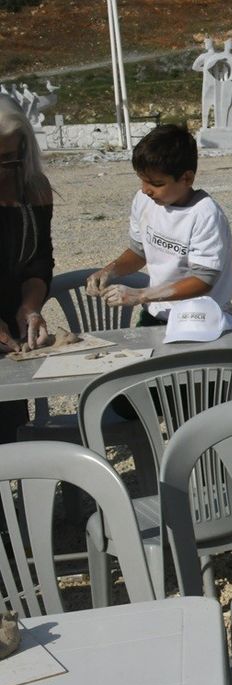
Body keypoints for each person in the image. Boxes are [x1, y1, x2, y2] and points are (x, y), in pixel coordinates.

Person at [85, 124, 232, 326]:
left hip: (201, 318)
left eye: (156, 184)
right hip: (157, 312)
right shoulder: (144, 200)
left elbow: (203, 280)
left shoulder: (205, 215)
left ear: (187, 178)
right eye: (142, 180)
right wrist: (108, 272)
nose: (146, 190)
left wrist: (140, 295)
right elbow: (139, 252)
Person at [0, 96, 53, 442]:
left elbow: (40, 260)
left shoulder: (33, 189)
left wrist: (30, 306)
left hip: (9, 336)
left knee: (9, 438)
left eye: (8, 159)